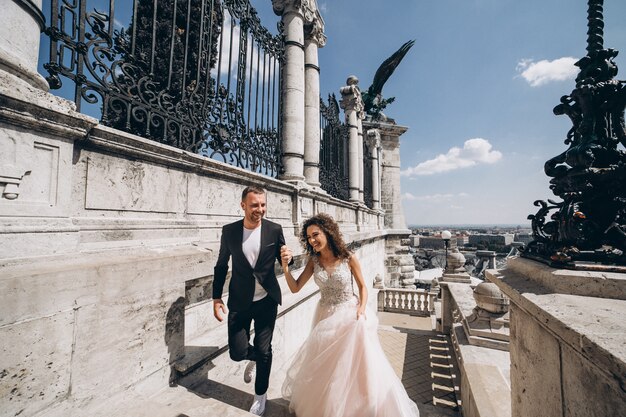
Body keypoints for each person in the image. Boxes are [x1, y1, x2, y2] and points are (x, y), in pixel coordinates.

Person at [279, 213, 419, 417]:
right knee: (327, 368)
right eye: (308, 237)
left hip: (348, 315)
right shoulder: (314, 261)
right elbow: (295, 288)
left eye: (315, 234)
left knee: (354, 366)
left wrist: (361, 308)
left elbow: (363, 287)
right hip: (325, 317)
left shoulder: (348, 257)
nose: (312, 240)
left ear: (328, 232)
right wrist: (285, 267)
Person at [212, 186, 293, 416]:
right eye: (255, 205)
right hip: (239, 300)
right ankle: (255, 356)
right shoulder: (229, 232)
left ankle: (260, 396)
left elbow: (284, 257)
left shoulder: (274, 230)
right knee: (237, 352)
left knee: (264, 349)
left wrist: (289, 258)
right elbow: (221, 266)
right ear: (243, 206)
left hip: (267, 299)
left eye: (263, 204)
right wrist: (216, 297)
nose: (260, 209)